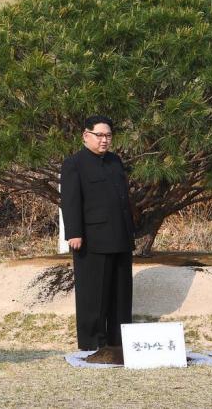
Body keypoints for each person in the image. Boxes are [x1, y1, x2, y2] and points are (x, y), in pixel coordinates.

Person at [60, 115, 135, 350]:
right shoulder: (75, 163)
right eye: (99, 135)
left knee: (120, 294)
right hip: (91, 239)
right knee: (93, 295)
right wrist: (74, 232)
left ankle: (119, 341)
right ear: (86, 136)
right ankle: (92, 343)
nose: (104, 140)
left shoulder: (115, 161)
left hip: (120, 236)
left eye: (108, 136)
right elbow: (70, 201)